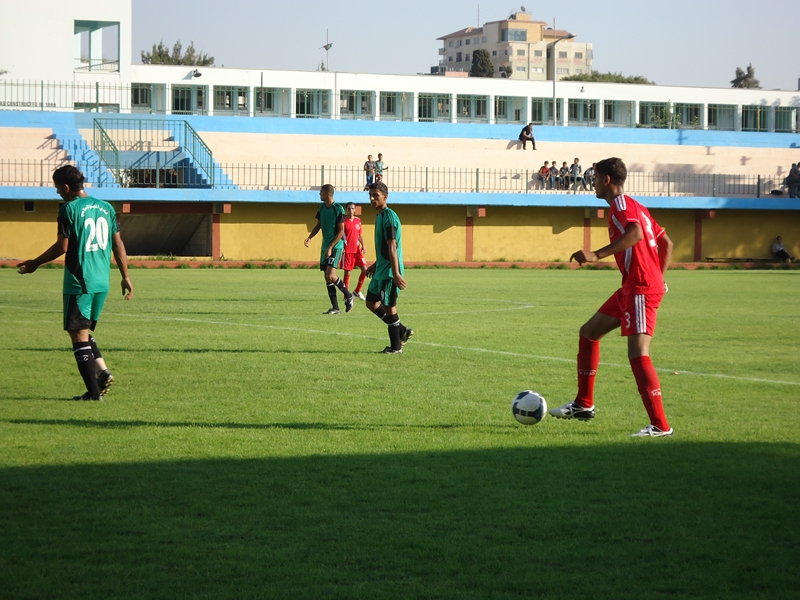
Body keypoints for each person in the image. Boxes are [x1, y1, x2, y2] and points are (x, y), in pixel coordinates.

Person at [550, 157, 675, 438]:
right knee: (589, 332)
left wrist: (596, 254)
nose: (591, 182)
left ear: (607, 180)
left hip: (641, 287)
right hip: (633, 286)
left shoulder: (621, 205)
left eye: (594, 177)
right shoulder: (637, 206)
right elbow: (666, 242)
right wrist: (661, 276)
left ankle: (660, 426)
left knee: (638, 353)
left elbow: (636, 234)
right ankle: (584, 404)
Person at [17, 165, 133, 401]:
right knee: (82, 331)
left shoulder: (68, 209)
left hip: (80, 281)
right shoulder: (106, 207)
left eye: (58, 188)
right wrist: (126, 276)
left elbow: (63, 246)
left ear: (67, 187)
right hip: (102, 281)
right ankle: (101, 371)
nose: (58, 192)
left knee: (77, 334)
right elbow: (118, 244)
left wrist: (35, 263)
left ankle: (93, 394)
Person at [364, 182, 413, 354]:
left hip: (390, 272)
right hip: (381, 270)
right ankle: (401, 330)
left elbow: (392, 246)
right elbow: (384, 248)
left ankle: (395, 347)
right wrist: (375, 265)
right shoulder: (379, 216)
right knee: (370, 302)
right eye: (370, 195)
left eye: (375, 195)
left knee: (390, 306)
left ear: (385, 196)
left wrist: (396, 273)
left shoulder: (389, 217)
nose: (372, 198)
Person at [304, 184, 355, 314]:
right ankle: (335, 308)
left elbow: (341, 230)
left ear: (327, 193)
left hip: (336, 246)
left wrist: (331, 247)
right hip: (325, 246)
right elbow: (318, 225)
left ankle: (349, 296)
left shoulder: (338, 209)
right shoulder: (321, 208)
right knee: (327, 277)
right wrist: (310, 237)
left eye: (321, 192)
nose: (319, 194)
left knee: (331, 275)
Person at [341, 202, 368, 300]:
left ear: (355, 209)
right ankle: (346, 296)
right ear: (346, 209)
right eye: (349, 208)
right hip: (347, 250)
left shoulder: (358, 220)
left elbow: (359, 234)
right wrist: (341, 247)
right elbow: (340, 235)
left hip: (357, 251)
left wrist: (363, 245)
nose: (351, 210)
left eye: (353, 208)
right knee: (347, 273)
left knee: (365, 271)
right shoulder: (342, 221)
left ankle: (357, 291)